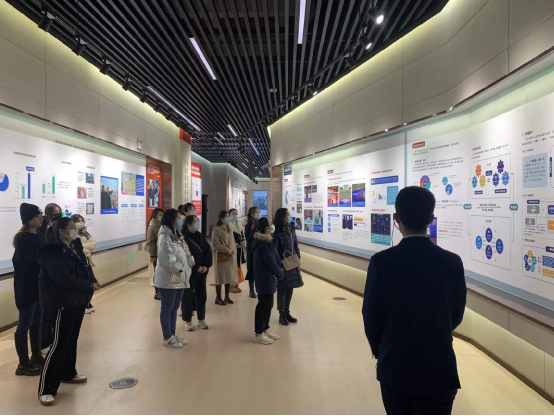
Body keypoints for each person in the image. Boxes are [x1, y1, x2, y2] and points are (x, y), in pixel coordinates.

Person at [363, 187, 467, 416]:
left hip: (396, 367)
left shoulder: (381, 262)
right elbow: (456, 314)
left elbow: (371, 317)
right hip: (440, 367)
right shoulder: (452, 262)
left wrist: (383, 350)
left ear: (396, 218)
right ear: (431, 219)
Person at [37, 218, 101, 407]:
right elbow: (61, 277)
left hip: (77, 301)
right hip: (61, 302)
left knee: (71, 339)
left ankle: (68, 373)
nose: (75, 231)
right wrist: (87, 285)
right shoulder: (52, 251)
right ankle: (46, 389)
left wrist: (92, 281)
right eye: (71, 228)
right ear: (61, 231)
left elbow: (84, 268)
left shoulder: (74, 246)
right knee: (58, 343)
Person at [12, 204, 45, 377]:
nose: (40, 218)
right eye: (37, 215)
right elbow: (28, 263)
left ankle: (36, 355)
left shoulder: (38, 236)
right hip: (27, 288)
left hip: (38, 286)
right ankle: (23, 364)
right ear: (28, 219)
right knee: (24, 324)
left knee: (37, 321)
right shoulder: (22, 238)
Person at [154, 209, 194, 349]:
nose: (180, 220)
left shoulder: (177, 234)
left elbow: (186, 251)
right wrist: (181, 269)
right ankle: (167, 337)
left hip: (179, 278)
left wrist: (190, 262)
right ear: (171, 219)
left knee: (174, 308)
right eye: (178, 218)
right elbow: (165, 260)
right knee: (167, 308)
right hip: (169, 279)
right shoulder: (164, 236)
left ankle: (172, 333)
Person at [251, 217, 283, 345]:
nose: (271, 226)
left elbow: (276, 258)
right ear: (266, 228)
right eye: (269, 224)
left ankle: (265, 328)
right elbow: (270, 261)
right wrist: (279, 273)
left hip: (268, 278)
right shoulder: (263, 243)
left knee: (268, 304)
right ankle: (258, 333)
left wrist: (279, 267)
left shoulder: (267, 241)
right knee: (263, 305)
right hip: (264, 278)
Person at [181, 215, 212, 331]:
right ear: (189, 225)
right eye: (195, 222)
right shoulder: (183, 238)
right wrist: (196, 267)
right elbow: (184, 257)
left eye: (198, 221)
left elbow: (208, 251)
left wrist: (206, 266)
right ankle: (187, 320)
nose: (198, 224)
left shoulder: (200, 236)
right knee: (187, 297)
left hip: (202, 272)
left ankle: (201, 319)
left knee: (202, 296)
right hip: (190, 272)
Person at [273, 208, 303, 326]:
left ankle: (287, 311)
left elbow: (295, 244)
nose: (290, 216)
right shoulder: (277, 232)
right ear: (282, 217)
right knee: (282, 289)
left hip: (292, 263)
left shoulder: (291, 229)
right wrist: (279, 263)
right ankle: (281, 313)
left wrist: (297, 257)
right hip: (283, 263)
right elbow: (275, 250)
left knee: (290, 287)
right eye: (288, 214)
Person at [71, 215, 97, 314]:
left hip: (87, 262)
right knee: (85, 284)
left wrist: (84, 247)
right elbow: (77, 247)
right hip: (79, 262)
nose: (80, 223)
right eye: (78, 221)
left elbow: (93, 244)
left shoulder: (85, 233)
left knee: (93, 283)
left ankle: (87, 302)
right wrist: (84, 248)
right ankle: (84, 304)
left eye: (82, 221)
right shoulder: (72, 234)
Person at [212, 210, 239, 306]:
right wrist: (226, 250)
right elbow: (216, 244)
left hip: (230, 255)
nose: (228, 218)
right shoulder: (217, 229)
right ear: (221, 218)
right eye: (226, 217)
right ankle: (218, 297)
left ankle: (227, 296)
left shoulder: (229, 228)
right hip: (222, 256)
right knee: (220, 277)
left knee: (229, 276)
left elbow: (232, 241)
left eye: (229, 216)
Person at [147, 209, 164, 301]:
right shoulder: (152, 227)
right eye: (160, 214)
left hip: (164, 253)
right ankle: (157, 292)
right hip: (157, 254)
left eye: (162, 214)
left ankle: (163, 291)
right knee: (157, 273)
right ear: (155, 215)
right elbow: (150, 242)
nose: (161, 216)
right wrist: (152, 255)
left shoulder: (163, 225)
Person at [245, 206, 262, 299]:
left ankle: (259, 288)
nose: (259, 214)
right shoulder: (249, 225)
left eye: (259, 212)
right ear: (252, 214)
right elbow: (248, 238)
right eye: (257, 212)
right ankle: (251, 289)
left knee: (260, 270)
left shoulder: (261, 223)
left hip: (261, 250)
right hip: (251, 250)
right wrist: (254, 232)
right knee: (251, 269)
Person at [228, 208, 246, 294]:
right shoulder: (228, 225)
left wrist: (243, 242)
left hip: (240, 249)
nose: (235, 215)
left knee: (238, 265)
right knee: (232, 267)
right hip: (232, 248)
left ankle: (237, 284)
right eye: (233, 214)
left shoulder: (239, 223)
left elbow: (242, 235)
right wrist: (235, 244)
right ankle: (231, 285)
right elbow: (228, 238)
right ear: (229, 215)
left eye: (236, 213)